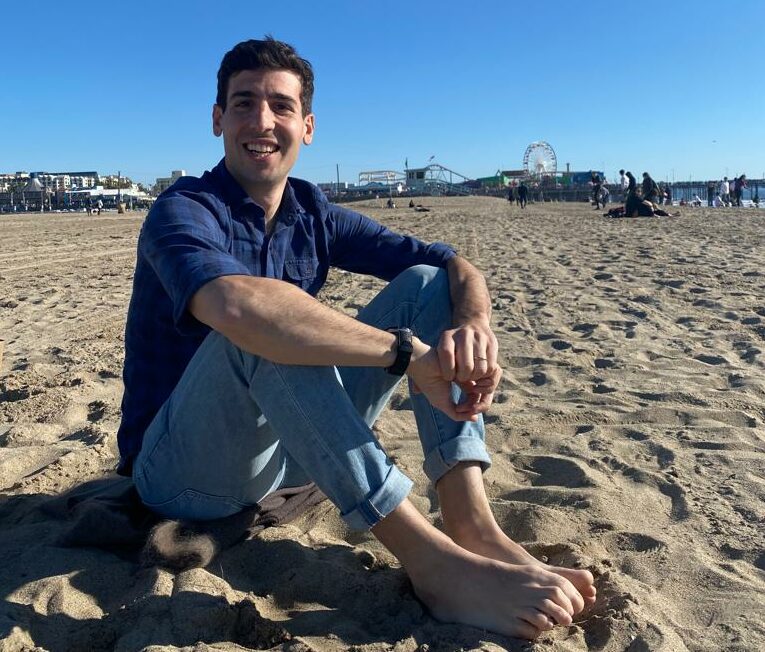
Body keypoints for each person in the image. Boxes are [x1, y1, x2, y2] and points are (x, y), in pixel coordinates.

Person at [116, 37, 595, 640]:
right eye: (243, 104)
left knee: (426, 285)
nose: (262, 121)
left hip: (281, 451)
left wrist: (474, 324)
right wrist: (405, 355)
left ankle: (471, 524)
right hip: (180, 471)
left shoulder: (311, 211)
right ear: (218, 120)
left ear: (307, 126)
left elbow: (453, 265)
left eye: (281, 106)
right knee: (268, 323)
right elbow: (237, 307)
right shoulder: (184, 209)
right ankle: (431, 564)